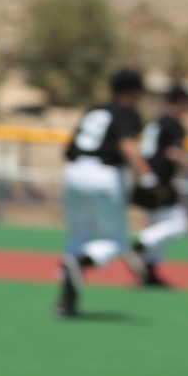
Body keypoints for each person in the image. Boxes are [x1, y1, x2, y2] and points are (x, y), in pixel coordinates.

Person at [55, 67, 156, 318]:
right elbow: (126, 143)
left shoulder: (93, 110)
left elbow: (68, 148)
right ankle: (81, 263)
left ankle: (66, 303)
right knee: (117, 240)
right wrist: (147, 175)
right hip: (104, 174)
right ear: (134, 91)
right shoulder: (127, 111)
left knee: (77, 236)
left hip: (74, 172)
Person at [129, 84, 188, 286]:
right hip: (161, 180)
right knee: (178, 224)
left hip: (146, 178)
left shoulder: (155, 122)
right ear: (181, 102)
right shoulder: (173, 124)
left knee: (159, 225)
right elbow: (174, 152)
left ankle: (149, 271)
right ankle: (139, 245)